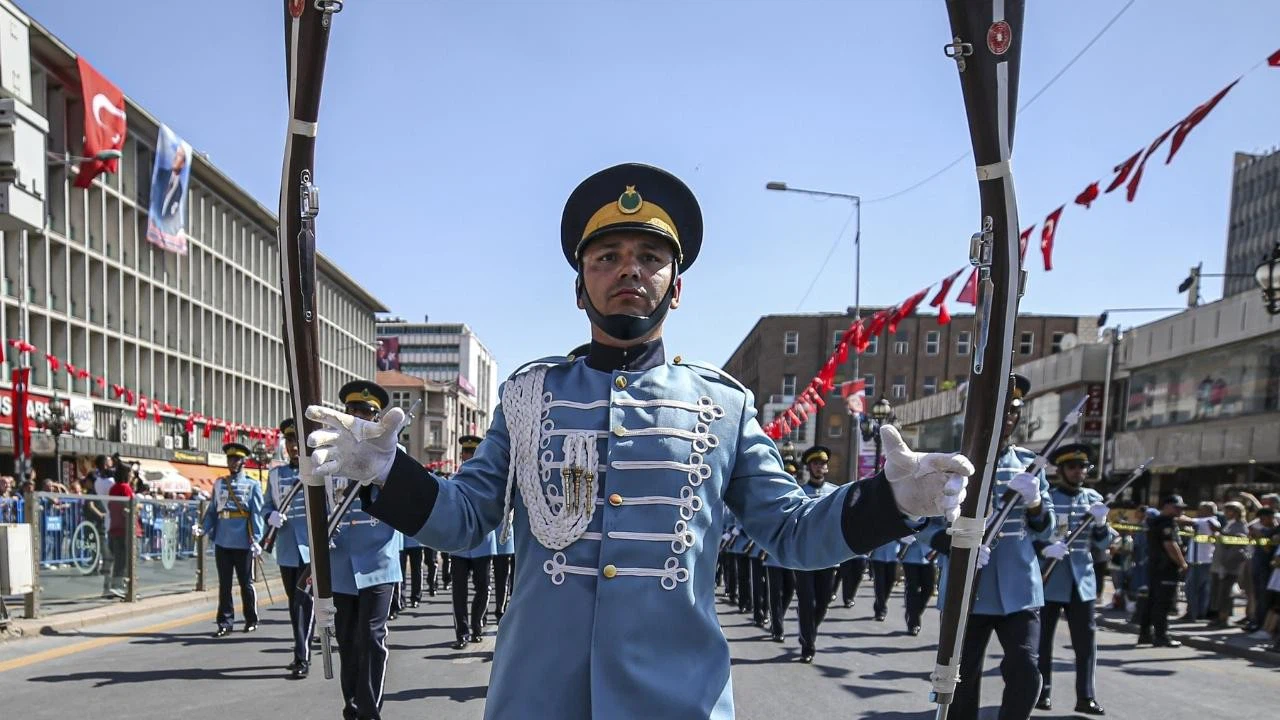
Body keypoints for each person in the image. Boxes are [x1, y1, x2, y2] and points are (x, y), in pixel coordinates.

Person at [304, 162, 969, 719]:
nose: (629, 270)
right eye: (607, 257)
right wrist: (388, 475)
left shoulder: (724, 405)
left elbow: (791, 533)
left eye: (650, 258)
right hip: (539, 696)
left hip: (676, 699)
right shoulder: (528, 395)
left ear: (675, 289)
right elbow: (469, 520)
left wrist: (890, 501)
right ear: (579, 285)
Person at [930, 373, 1056, 720]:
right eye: (1002, 411)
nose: (1009, 419)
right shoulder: (951, 464)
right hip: (966, 586)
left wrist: (1034, 503)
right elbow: (924, 525)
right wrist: (955, 545)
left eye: (1014, 412)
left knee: (1025, 668)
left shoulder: (1030, 465)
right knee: (961, 676)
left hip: (1019, 587)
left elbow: (1046, 530)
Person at [329, 380, 403, 720]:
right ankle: (352, 707)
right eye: (352, 411)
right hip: (341, 559)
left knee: (372, 638)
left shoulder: (393, 454)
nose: (358, 418)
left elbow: (406, 505)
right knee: (347, 641)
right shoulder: (329, 452)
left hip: (379, 557)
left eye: (366, 413)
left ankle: (370, 712)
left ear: (377, 418)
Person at [1035, 443, 1111, 715]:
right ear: (1061, 470)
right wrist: (1044, 549)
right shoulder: (1049, 497)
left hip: (1083, 582)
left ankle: (1086, 696)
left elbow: (1103, 544)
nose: (1079, 471)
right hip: (1050, 578)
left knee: (1085, 643)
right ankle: (1041, 692)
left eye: (1083, 467)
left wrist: (1102, 525)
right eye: (1073, 467)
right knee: (1042, 641)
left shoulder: (1093, 498)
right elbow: (1036, 534)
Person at [263, 418, 314, 679]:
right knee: (295, 605)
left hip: (311, 549)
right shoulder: (276, 474)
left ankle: (302, 656)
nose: (294, 446)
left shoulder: (317, 472)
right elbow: (266, 506)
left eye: (297, 441)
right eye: (290, 441)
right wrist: (270, 516)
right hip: (286, 549)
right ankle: (302, 646)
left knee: (303, 602)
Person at [198, 442, 264, 636]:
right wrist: (203, 527)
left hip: (243, 540)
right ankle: (225, 622)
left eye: (237, 459)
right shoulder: (220, 483)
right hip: (223, 539)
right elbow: (212, 511)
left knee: (246, 582)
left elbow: (256, 513)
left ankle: (251, 617)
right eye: (230, 459)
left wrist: (257, 540)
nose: (233, 462)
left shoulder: (252, 485)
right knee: (224, 583)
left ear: (244, 461)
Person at [790, 445, 842, 663]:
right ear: (809, 467)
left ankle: (808, 628)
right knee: (806, 600)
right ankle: (808, 643)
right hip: (804, 556)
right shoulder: (798, 492)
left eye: (823, 464)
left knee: (822, 602)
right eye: (816, 464)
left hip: (827, 556)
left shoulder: (835, 492)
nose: (820, 467)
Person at [447, 434, 497, 649]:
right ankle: (462, 633)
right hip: (459, 545)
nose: (468, 456)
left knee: (483, 588)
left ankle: (477, 625)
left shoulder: (489, 480)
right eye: (465, 453)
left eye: (472, 452)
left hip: (483, 543)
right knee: (459, 592)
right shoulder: (453, 479)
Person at [1137, 495, 1189, 647]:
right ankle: (1161, 636)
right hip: (1165, 568)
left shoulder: (1156, 521)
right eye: (1177, 507)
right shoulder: (1167, 523)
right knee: (1163, 603)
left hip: (1155, 567)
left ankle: (1145, 634)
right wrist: (1183, 564)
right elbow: (1170, 545)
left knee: (1151, 601)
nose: (1180, 511)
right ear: (1166, 506)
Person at [764, 459, 801, 642]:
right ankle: (777, 627)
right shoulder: (770, 497)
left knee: (790, 589)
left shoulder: (799, 495)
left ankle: (778, 617)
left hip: (790, 554)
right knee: (775, 592)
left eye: (793, 475)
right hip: (773, 554)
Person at [106, 464, 141, 599]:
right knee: (129, 560)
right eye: (131, 473)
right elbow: (130, 508)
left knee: (119, 561)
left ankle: (115, 586)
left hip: (115, 527)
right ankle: (128, 588)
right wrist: (138, 506)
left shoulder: (113, 488)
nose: (133, 475)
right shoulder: (125, 488)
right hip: (127, 528)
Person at [868, 538, 900, 622]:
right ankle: (881, 610)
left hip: (893, 553)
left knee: (890, 581)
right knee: (879, 582)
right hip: (877, 553)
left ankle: (879, 604)